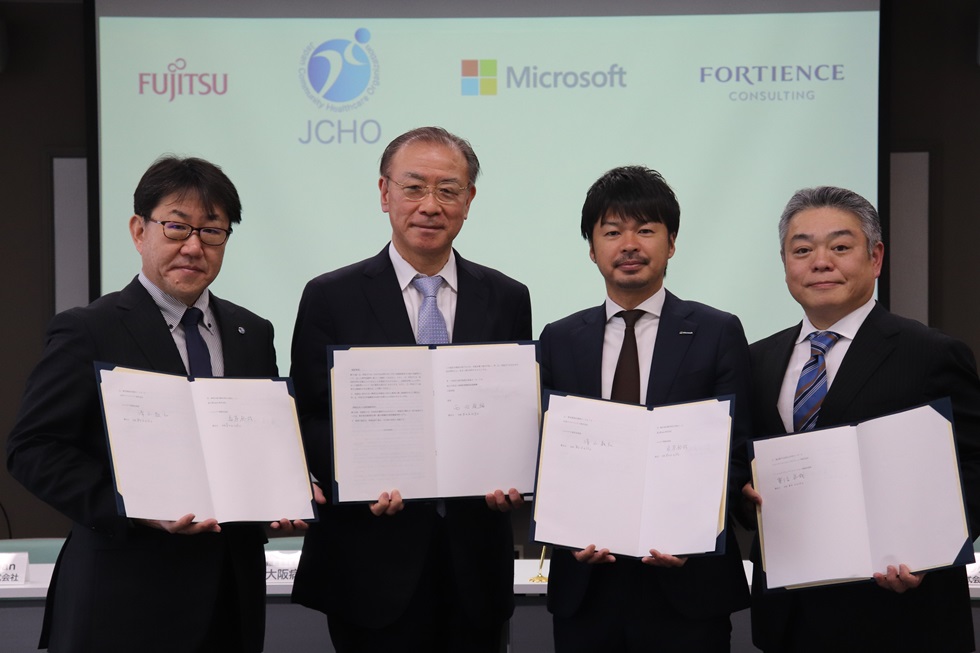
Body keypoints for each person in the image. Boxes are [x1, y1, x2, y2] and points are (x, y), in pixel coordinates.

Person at [6, 155, 293, 653]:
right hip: (122, 599)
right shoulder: (89, 329)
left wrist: (283, 492)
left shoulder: (252, 331)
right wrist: (133, 509)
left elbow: (259, 442)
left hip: (230, 598)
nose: (194, 247)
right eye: (177, 227)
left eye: (212, 231)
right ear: (139, 231)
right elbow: (33, 449)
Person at [289, 126, 532, 652]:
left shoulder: (507, 297)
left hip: (475, 567)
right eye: (414, 187)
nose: (430, 205)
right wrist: (356, 478)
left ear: (469, 200)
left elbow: (512, 413)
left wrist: (514, 474)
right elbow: (307, 414)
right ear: (384, 193)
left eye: (448, 190)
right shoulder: (331, 296)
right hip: (369, 563)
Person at [743, 186, 980, 652]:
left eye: (840, 247)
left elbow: (974, 464)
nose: (820, 262)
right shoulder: (756, 360)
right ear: (785, 263)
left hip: (901, 614)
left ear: (875, 258)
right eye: (802, 250)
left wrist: (929, 550)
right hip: (789, 617)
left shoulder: (930, 354)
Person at [538, 165, 752, 652]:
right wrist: (567, 532)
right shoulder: (559, 338)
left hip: (688, 585)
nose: (629, 245)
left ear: (671, 243)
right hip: (587, 587)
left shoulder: (717, 331)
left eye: (646, 230)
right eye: (613, 232)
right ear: (592, 248)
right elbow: (548, 454)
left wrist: (694, 533)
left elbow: (736, 450)